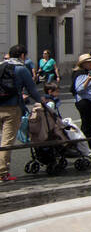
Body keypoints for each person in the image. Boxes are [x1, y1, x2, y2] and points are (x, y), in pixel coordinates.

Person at [1, 45, 53, 182]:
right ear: (22, 55)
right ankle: (2, 172)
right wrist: (42, 102)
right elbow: (32, 89)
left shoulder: (0, 65)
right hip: (12, 107)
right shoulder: (21, 69)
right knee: (7, 141)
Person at [72, 53, 91, 139]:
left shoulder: (87, 72)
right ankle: (86, 145)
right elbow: (79, 89)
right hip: (86, 102)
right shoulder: (81, 74)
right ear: (83, 64)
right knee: (87, 126)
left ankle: (89, 144)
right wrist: (88, 80)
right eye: (89, 62)